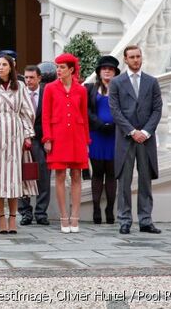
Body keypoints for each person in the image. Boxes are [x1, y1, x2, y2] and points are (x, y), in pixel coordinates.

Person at [0, 52, 37, 235]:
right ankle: (1, 217)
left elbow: (28, 112)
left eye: (4, 64)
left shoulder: (20, 86)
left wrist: (27, 135)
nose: (0, 67)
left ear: (11, 67)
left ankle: (13, 218)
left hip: (15, 133)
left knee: (13, 177)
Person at [108, 45, 163, 235]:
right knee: (124, 180)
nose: (136, 60)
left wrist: (145, 132)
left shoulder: (152, 82)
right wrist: (132, 131)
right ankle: (124, 220)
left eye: (138, 56)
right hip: (126, 138)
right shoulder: (116, 82)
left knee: (145, 180)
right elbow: (115, 111)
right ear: (125, 59)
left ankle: (146, 220)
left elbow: (157, 109)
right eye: (132, 57)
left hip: (146, 139)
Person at [42, 53, 90, 233]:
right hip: (58, 135)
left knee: (77, 175)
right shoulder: (50, 88)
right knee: (60, 175)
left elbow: (84, 117)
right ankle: (64, 217)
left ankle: (75, 217)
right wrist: (47, 138)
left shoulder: (81, 90)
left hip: (77, 136)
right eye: (57, 67)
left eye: (62, 67)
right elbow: (45, 116)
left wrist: (86, 140)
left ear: (71, 69)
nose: (58, 70)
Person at [85, 56, 120, 225]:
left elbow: (125, 109)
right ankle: (96, 208)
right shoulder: (90, 89)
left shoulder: (120, 88)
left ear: (115, 72)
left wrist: (114, 124)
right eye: (104, 68)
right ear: (99, 72)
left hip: (114, 135)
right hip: (97, 134)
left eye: (111, 69)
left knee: (112, 174)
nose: (107, 71)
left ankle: (110, 209)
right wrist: (99, 124)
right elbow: (86, 111)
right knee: (97, 173)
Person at [18, 65, 51, 226]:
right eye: (26, 77)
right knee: (23, 176)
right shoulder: (19, 93)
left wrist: (49, 140)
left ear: (39, 78)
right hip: (22, 140)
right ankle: (25, 212)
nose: (28, 80)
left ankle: (41, 213)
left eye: (32, 77)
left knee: (43, 176)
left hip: (41, 139)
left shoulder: (47, 93)